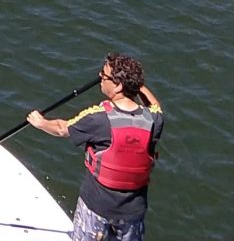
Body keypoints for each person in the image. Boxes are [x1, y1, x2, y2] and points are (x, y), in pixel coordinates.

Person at [26, 53, 163, 241]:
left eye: (104, 76)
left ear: (118, 85)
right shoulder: (154, 120)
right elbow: (155, 105)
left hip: (96, 208)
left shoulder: (98, 118)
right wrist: (137, 86)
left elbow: (62, 129)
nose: (100, 77)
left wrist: (40, 122)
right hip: (132, 213)